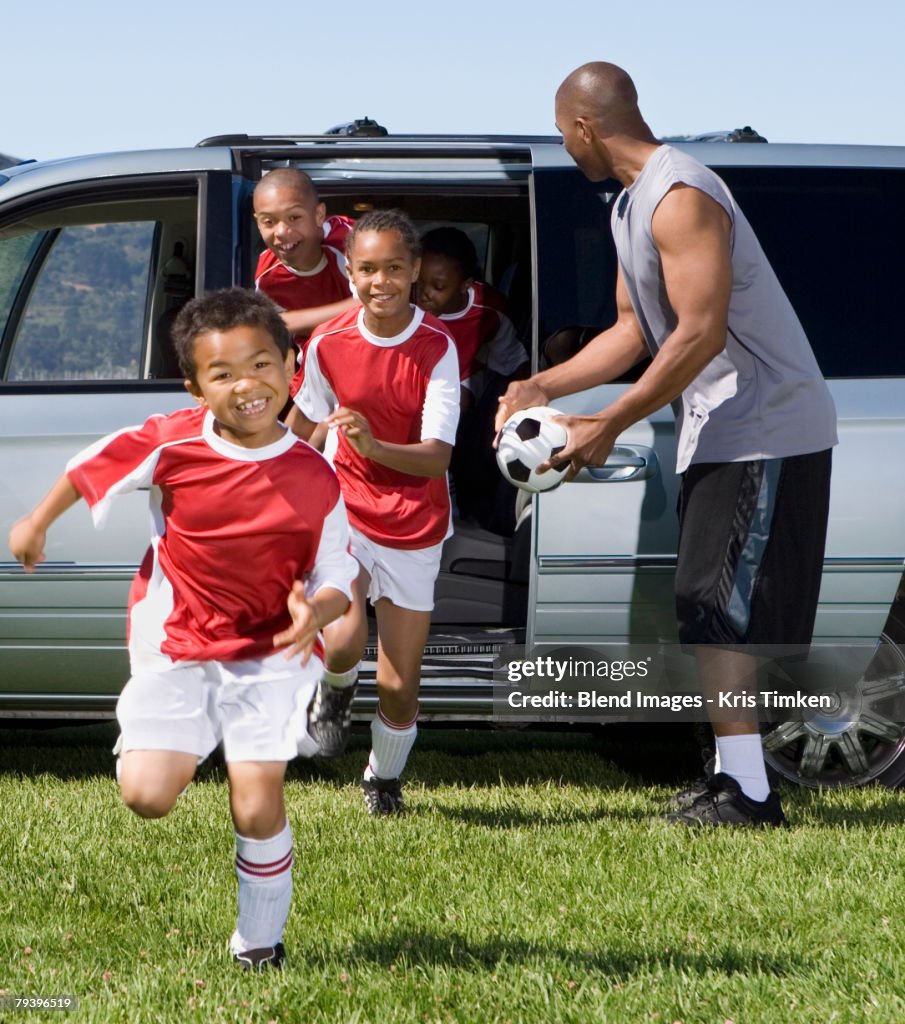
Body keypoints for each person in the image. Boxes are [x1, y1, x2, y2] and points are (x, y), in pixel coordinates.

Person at [496, 62, 838, 827]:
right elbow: (631, 332)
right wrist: (543, 387)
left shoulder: (680, 195)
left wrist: (607, 424)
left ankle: (748, 793)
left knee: (716, 609)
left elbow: (698, 331)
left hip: (763, 421)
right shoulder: (627, 208)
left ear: (584, 126)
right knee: (706, 605)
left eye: (561, 132)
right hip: (720, 426)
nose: (564, 145)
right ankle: (733, 779)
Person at [8, 288, 358, 968]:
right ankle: (191, 729)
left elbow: (337, 574)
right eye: (222, 374)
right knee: (146, 796)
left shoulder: (316, 475)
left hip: (271, 652)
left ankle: (259, 945)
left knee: (256, 798)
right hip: (177, 641)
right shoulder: (172, 442)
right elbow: (90, 467)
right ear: (195, 386)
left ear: (292, 367)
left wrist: (314, 612)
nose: (246, 385)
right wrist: (36, 523)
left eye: (261, 364)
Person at [287, 209, 460, 816]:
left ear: (413, 272)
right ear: (350, 272)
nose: (378, 281)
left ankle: (381, 780)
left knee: (398, 683)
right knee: (343, 640)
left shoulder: (437, 346)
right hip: (347, 511)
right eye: (366, 268)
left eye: (392, 268)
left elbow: (436, 459)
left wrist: (372, 445)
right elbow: (302, 428)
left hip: (415, 524)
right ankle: (333, 694)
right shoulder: (327, 343)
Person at [416, 226, 528, 527]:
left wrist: (508, 409)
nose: (424, 293)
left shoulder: (489, 310)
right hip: (413, 377)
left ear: (466, 285)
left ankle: (448, 491)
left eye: (438, 287)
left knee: (453, 407)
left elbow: (514, 364)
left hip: (465, 374)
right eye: (419, 282)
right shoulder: (404, 302)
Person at [253, 168, 358, 393]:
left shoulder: (351, 242)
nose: (281, 231)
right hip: (316, 377)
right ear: (257, 223)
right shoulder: (267, 276)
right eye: (269, 222)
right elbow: (265, 329)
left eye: (294, 217)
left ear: (319, 215)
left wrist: (290, 322)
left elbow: (375, 304)